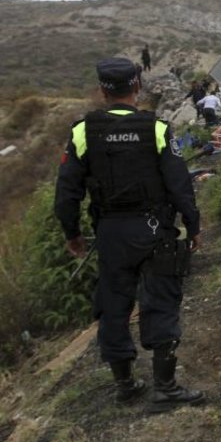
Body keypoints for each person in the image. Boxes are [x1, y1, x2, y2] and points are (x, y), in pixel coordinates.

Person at [54, 57, 205, 413]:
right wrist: (193, 225)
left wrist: (72, 232)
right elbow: (180, 184)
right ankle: (165, 388)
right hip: (154, 231)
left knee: (113, 305)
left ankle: (125, 384)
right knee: (162, 301)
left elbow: (67, 192)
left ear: (103, 89)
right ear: (137, 86)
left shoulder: (81, 132)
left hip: (110, 233)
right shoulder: (156, 129)